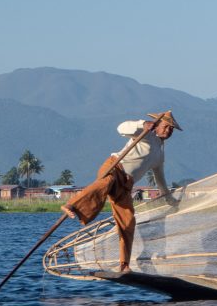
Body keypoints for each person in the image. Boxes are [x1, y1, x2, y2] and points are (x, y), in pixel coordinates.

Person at [60, 110, 182, 272]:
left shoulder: (160, 154)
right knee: (106, 183)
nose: (169, 131)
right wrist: (142, 125)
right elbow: (121, 128)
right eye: (166, 126)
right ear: (157, 125)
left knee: (128, 221)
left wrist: (168, 197)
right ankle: (71, 205)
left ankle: (124, 265)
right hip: (115, 168)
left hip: (126, 185)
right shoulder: (146, 133)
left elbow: (160, 178)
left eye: (171, 129)